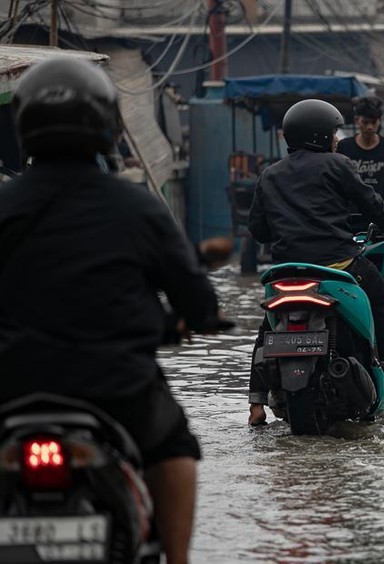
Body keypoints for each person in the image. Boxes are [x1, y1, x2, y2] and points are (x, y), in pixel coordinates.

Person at [0, 58, 226, 564]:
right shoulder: (139, 207)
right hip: (116, 387)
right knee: (174, 448)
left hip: (9, 385)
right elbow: (199, 302)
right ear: (105, 124)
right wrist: (186, 321)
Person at [246, 99, 384, 426]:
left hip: (285, 271)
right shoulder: (338, 164)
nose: (337, 139)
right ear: (319, 136)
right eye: (333, 133)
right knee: (381, 297)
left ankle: (255, 405)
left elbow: (258, 229)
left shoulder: (270, 174)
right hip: (337, 264)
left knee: (268, 324)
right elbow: (372, 205)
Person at [337, 96, 384, 209]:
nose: (369, 127)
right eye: (365, 122)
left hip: (382, 215)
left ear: (380, 120)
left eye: (373, 122)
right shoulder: (345, 147)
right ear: (357, 120)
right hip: (352, 216)